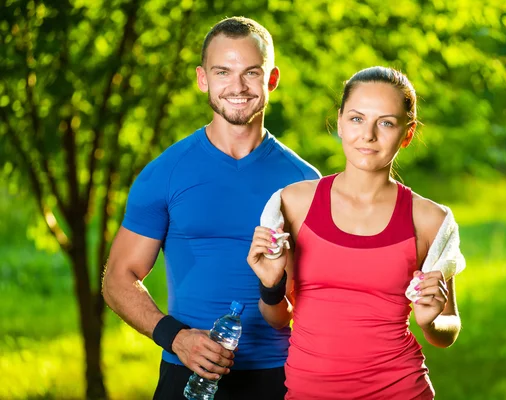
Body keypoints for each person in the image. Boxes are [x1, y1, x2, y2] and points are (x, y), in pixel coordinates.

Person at [102, 17, 320, 400]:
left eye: (251, 73)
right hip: (187, 374)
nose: (237, 87)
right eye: (223, 72)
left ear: (272, 79)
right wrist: (177, 338)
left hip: (284, 378)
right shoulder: (165, 173)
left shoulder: (305, 182)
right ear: (203, 79)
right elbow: (118, 278)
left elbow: (321, 293)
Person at [247, 66, 463, 399]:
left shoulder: (430, 219)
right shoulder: (294, 204)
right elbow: (277, 319)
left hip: (401, 390)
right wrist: (271, 284)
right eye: (357, 119)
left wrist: (431, 321)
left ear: (407, 133)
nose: (368, 135)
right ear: (340, 120)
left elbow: (446, 331)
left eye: (386, 123)